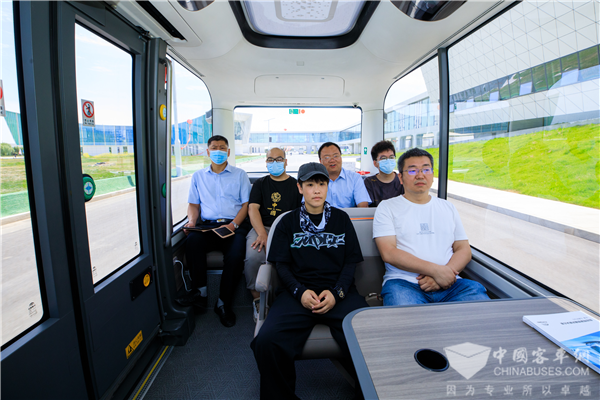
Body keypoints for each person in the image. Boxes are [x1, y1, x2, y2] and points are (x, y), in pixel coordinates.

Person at [251, 162, 367, 400]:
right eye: (310, 184)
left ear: (327, 187)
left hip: (338, 293)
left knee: (370, 336)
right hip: (297, 294)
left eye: (321, 184)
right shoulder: (287, 222)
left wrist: (337, 293)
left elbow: (350, 264)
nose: (316, 190)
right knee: (267, 341)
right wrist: (299, 292)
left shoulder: (341, 219)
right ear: (300, 188)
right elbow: (282, 267)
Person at [373, 148, 489, 305]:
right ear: (400, 177)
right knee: (404, 317)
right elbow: (389, 253)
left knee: (480, 307)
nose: (420, 175)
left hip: (451, 284)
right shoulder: (387, 207)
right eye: (412, 170)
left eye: (426, 169)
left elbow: (463, 249)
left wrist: (444, 276)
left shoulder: (448, 207)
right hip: (404, 283)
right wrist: (436, 271)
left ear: (433, 175)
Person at [181, 135, 251, 327]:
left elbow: (246, 205)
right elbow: (193, 204)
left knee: (236, 255)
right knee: (192, 242)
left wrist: (233, 225)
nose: (218, 151)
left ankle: (223, 303)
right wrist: (192, 221)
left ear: (228, 152)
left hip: (234, 225)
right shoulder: (198, 176)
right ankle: (200, 292)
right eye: (214, 147)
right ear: (208, 151)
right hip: (208, 226)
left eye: (222, 147)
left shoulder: (240, 174)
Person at [245, 147, 302, 320]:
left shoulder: (296, 185)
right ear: (266, 162)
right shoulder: (260, 184)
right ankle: (258, 300)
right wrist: (262, 233)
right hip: (263, 227)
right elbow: (253, 209)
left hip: (288, 229)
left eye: (279, 159)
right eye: (270, 159)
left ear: (286, 162)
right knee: (253, 256)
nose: (274, 162)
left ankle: (290, 297)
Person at [319, 142, 371, 208]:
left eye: (335, 156)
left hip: (349, 214)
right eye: (327, 157)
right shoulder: (315, 179)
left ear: (341, 157)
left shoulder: (355, 178)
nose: (332, 160)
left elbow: (363, 206)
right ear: (320, 161)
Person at [364, 140, 404, 207]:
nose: (388, 161)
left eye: (391, 157)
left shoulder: (402, 179)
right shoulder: (369, 182)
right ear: (375, 163)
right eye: (383, 158)